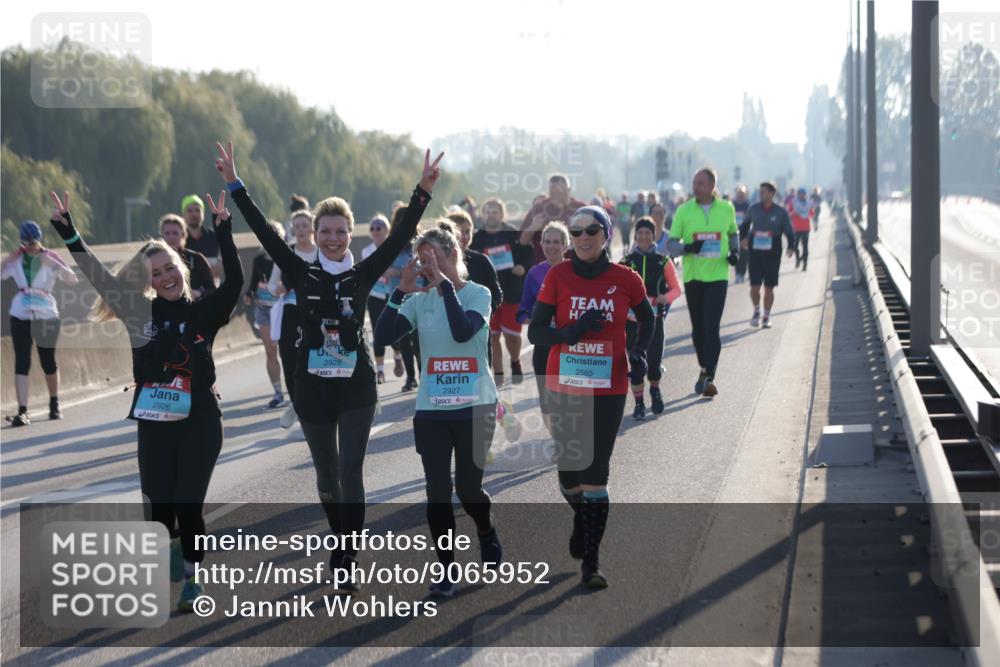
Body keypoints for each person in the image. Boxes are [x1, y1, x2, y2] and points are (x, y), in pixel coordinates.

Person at [219, 141, 443, 592]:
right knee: (325, 476)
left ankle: (347, 556)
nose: (334, 238)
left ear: (351, 234)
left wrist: (422, 191)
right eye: (326, 231)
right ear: (316, 234)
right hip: (312, 385)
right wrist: (235, 184)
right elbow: (264, 232)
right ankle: (339, 535)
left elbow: (400, 238)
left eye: (341, 231)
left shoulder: (362, 272)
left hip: (357, 385)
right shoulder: (302, 271)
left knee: (350, 473)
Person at [48, 188, 243, 610]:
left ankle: (194, 580)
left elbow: (237, 281)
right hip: (155, 422)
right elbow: (97, 274)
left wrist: (223, 231)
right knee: (158, 515)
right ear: (147, 281)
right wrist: (69, 233)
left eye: (169, 266)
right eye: (155, 273)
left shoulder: (204, 310)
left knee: (189, 504)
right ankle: (171, 543)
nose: (165, 276)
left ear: (182, 265)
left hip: (201, 419)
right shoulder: (138, 311)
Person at [528, 205, 654, 589]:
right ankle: (582, 519)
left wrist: (638, 353)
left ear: (606, 234)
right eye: (577, 231)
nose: (583, 238)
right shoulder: (558, 276)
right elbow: (536, 333)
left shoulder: (626, 279)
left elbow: (647, 319)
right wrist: (570, 332)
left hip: (609, 387)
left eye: (592, 231)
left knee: (595, 472)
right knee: (570, 475)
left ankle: (592, 564)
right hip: (564, 385)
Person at [374, 225, 502, 597]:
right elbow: (383, 337)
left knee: (467, 488)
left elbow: (463, 332)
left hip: (476, 404)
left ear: (453, 255)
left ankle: (485, 529)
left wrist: (445, 285)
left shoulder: (478, 294)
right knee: (438, 491)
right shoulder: (419, 300)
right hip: (432, 409)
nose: (429, 267)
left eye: (435, 258)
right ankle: (447, 569)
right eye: (423, 260)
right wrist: (401, 290)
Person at [667, 167, 739, 398]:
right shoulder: (684, 210)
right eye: (694, 183)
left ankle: (709, 374)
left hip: (718, 276)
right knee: (698, 330)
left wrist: (735, 252)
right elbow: (671, 244)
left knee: (711, 327)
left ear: (711, 186)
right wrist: (688, 248)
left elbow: (733, 233)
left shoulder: (726, 208)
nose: (695, 187)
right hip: (694, 276)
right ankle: (704, 368)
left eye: (700, 183)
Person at [2, 220, 79, 426]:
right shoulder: (16, 259)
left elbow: (72, 279)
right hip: (20, 313)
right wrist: (8, 258)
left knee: (48, 361)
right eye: (26, 244)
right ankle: (22, 411)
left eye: (33, 243)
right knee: (22, 361)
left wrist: (55, 263)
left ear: (39, 241)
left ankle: (54, 404)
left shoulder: (50, 257)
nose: (30, 247)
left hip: (46, 314)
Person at [621, 217, 682, 419]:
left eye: (648, 233)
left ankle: (655, 390)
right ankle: (639, 404)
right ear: (635, 236)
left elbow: (676, 288)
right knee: (636, 364)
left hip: (655, 320)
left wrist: (666, 297)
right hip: (631, 323)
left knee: (654, 364)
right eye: (640, 233)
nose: (644, 236)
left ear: (654, 235)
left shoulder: (662, 260)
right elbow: (614, 290)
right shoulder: (626, 262)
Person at [470, 198, 533, 385]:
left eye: (495, 212)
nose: (491, 215)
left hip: (512, 292)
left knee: (513, 337)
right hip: (488, 296)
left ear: (502, 214)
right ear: (483, 214)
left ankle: (515, 361)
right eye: (488, 212)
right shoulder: (477, 238)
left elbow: (528, 253)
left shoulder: (513, 234)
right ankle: (498, 375)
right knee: (494, 336)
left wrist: (523, 266)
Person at [517, 221, 570, 434]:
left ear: (565, 245)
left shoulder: (574, 271)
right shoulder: (534, 274)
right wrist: (531, 318)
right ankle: (556, 438)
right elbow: (524, 307)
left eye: (556, 241)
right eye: (547, 241)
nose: (551, 246)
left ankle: (568, 432)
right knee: (547, 398)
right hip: (544, 343)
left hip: (569, 342)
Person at [268, 208, 318, 428]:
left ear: (313, 228)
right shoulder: (286, 252)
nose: (300, 230)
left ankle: (314, 406)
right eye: (296, 227)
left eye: (304, 225)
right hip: (290, 311)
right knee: (290, 359)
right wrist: (279, 289)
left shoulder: (321, 251)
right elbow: (271, 285)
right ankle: (296, 404)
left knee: (315, 359)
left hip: (317, 312)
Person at [740, 181, 796, 328]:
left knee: (769, 287)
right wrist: (743, 238)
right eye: (760, 192)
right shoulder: (753, 209)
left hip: (773, 252)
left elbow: (789, 231)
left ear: (771, 194)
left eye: (764, 192)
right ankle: (756, 311)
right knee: (754, 286)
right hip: (755, 252)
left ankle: (766, 315)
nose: (761, 194)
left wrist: (791, 247)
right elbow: (745, 225)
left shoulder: (781, 212)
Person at [244, 219, 287, 408]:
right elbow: (253, 282)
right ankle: (278, 392)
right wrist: (249, 293)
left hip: (284, 308)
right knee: (271, 352)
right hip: (263, 309)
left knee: (288, 351)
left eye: (276, 235)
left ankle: (296, 390)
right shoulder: (259, 259)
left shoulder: (287, 257)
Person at [362, 214, 403, 384]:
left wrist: (394, 272)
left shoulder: (395, 247)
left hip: (393, 293)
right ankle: (379, 371)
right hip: (375, 295)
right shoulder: (366, 251)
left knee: (394, 329)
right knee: (378, 331)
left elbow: (402, 270)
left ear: (387, 230)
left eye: (379, 228)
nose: (376, 231)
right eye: (372, 228)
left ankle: (398, 354)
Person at [519, 174, 586, 264]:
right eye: (552, 190)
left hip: (575, 266)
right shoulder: (539, 208)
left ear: (568, 190)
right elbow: (523, 241)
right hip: (546, 267)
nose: (555, 194)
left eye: (559, 190)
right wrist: (533, 226)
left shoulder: (580, 208)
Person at [390, 206, 422, 391]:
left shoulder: (420, 242)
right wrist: (401, 271)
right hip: (398, 297)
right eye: (402, 220)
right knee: (403, 340)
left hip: (418, 296)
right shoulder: (392, 244)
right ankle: (410, 377)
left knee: (419, 340)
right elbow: (383, 267)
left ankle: (422, 374)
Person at [159, 214, 216, 300]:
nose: (171, 237)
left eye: (175, 233)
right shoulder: (154, 260)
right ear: (162, 236)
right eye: (167, 233)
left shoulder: (196, 258)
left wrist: (199, 293)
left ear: (183, 234)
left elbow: (212, 290)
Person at [181, 194, 221, 283]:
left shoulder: (213, 236)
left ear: (203, 214)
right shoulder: (179, 239)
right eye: (190, 211)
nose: (194, 214)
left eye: (197, 210)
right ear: (183, 214)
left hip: (212, 290)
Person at [790, 187, 814, 271]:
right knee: (795, 246)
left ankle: (805, 263)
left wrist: (808, 214)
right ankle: (798, 259)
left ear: (805, 194)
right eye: (800, 194)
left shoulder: (809, 202)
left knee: (805, 247)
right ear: (797, 195)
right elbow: (789, 212)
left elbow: (811, 213)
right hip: (796, 228)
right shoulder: (793, 202)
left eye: (803, 194)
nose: (801, 195)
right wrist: (794, 214)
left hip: (805, 227)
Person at [731, 186, 751, 284]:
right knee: (735, 253)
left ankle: (742, 273)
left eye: (742, 194)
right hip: (734, 232)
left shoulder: (748, 205)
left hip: (744, 233)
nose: (740, 196)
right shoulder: (732, 205)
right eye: (739, 194)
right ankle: (737, 273)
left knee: (744, 255)